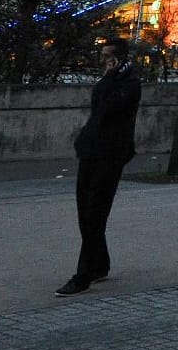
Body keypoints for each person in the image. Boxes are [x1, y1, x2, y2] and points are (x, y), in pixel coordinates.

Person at [55, 37, 142, 297]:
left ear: (120, 57)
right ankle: (99, 265)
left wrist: (111, 78)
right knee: (87, 213)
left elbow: (110, 108)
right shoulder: (108, 80)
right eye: (103, 56)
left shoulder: (130, 83)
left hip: (110, 154)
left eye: (108, 56)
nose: (104, 61)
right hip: (92, 151)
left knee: (94, 213)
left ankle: (83, 275)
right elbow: (97, 111)